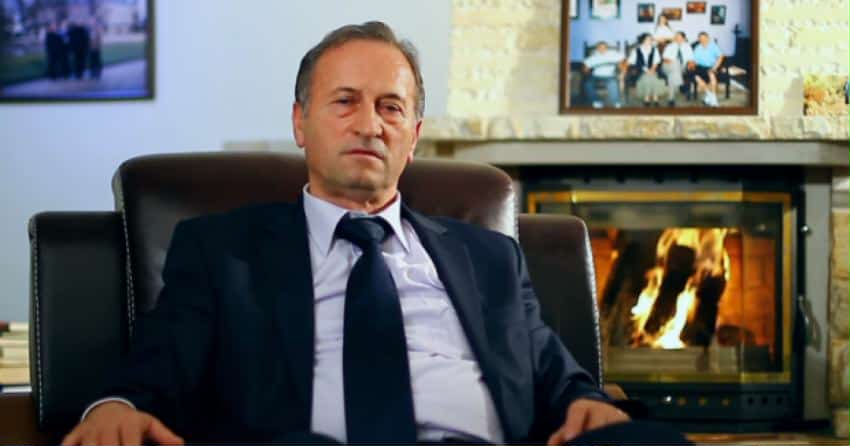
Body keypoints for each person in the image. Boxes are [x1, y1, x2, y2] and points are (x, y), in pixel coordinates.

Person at [61, 21, 691, 446]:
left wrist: (587, 401)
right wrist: (115, 408)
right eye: (344, 101)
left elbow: (558, 376)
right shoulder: (222, 251)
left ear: (413, 137)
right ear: (301, 122)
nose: (370, 124)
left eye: (391, 107)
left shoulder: (489, 257)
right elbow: (156, 370)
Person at [627, 33, 666, 107]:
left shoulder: (654, 49)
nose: (650, 41)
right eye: (648, 39)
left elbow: (656, 61)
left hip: (653, 69)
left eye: (651, 39)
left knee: (653, 77)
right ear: (643, 40)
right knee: (647, 77)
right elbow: (631, 61)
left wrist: (652, 69)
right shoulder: (636, 50)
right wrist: (646, 70)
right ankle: (649, 98)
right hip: (640, 70)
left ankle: (653, 98)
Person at [582, 41, 624, 108]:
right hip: (595, 75)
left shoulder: (612, 54)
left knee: (613, 83)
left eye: (604, 47)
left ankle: (616, 102)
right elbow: (585, 66)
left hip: (609, 75)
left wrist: (622, 70)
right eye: (600, 47)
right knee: (587, 83)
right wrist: (587, 72)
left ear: (607, 48)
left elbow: (623, 60)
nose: (602, 49)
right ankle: (596, 101)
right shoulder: (594, 56)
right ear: (597, 48)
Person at [661, 31, 696, 107]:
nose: (677, 39)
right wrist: (674, 62)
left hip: (681, 68)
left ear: (684, 38)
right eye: (676, 37)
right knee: (675, 63)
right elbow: (665, 59)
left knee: (672, 75)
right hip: (667, 66)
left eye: (679, 37)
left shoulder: (687, 47)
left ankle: (671, 99)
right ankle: (680, 83)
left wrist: (691, 64)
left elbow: (691, 59)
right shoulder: (669, 46)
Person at [692, 31, 724, 107]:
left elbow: (721, 57)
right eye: (700, 38)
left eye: (704, 38)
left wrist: (714, 67)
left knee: (711, 75)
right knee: (696, 77)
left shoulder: (713, 46)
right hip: (700, 66)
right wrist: (692, 66)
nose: (702, 40)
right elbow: (694, 60)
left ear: (708, 38)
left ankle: (713, 98)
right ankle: (709, 95)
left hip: (712, 66)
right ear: (698, 39)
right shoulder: (697, 48)